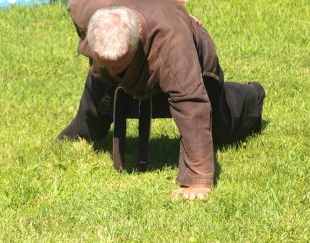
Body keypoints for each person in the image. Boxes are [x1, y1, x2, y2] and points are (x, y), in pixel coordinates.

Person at [58, 0, 265, 201]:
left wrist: (198, 181)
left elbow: (192, 104)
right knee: (100, 84)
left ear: (136, 43)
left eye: (118, 66)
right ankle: (81, 131)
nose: (112, 70)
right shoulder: (85, 7)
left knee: (220, 123)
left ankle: (251, 95)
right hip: (149, 34)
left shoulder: (173, 45)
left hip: (190, 61)